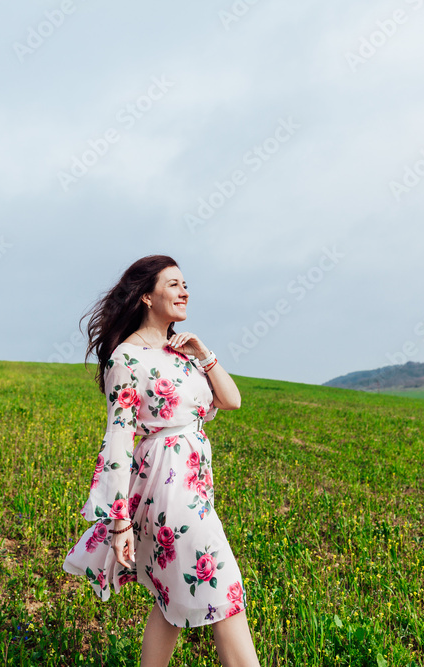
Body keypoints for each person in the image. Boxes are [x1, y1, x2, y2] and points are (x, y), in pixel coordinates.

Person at [62, 255, 261, 667]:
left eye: (185, 283)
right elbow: (118, 440)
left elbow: (232, 400)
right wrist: (119, 522)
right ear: (147, 297)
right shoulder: (126, 359)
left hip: (195, 485)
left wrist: (203, 352)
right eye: (173, 284)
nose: (184, 291)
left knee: (171, 600)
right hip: (165, 487)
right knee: (226, 589)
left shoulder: (184, 351)